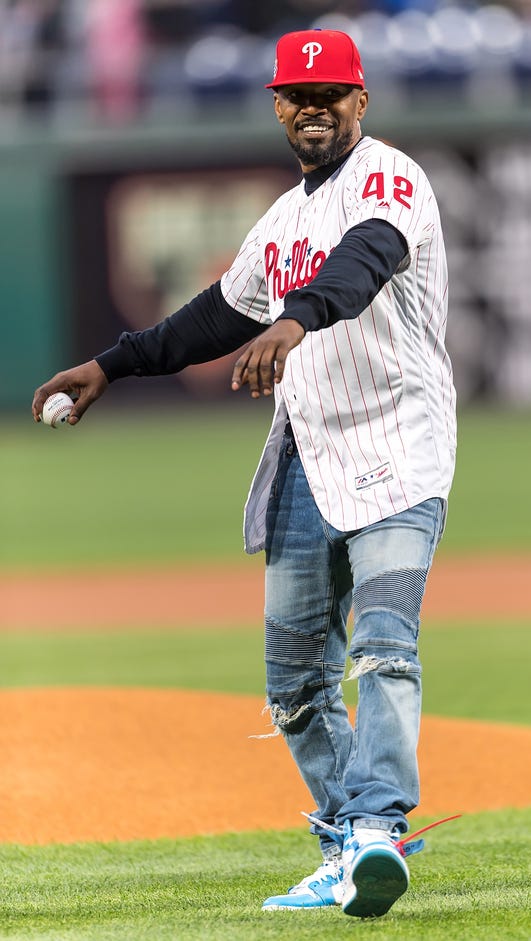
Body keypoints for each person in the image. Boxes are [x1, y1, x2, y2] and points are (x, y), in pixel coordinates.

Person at [32, 27, 456, 918]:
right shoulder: (283, 221)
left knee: (383, 644)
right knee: (296, 684)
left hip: (401, 449)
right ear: (276, 105)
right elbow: (211, 317)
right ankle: (349, 845)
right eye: (298, 96)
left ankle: (378, 825)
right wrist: (110, 366)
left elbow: (365, 260)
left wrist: (295, 321)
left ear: (360, 101)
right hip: (308, 454)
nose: (313, 109)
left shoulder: (390, 179)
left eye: (330, 95)